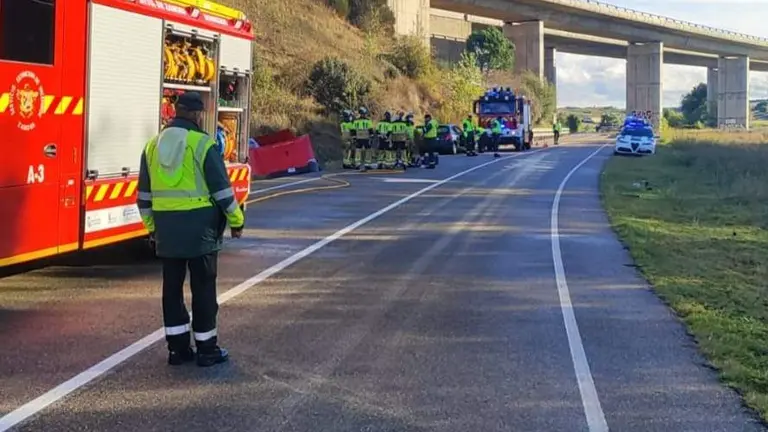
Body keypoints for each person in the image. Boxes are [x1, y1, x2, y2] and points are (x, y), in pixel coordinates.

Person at [136, 92, 244, 367]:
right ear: (197, 115)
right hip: (201, 231)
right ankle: (207, 349)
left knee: (171, 291)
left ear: (175, 111)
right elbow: (222, 191)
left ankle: (178, 350)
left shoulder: (151, 146)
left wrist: (152, 230)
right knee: (203, 288)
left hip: (167, 231)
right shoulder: (202, 145)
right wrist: (236, 221)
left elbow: (144, 198)